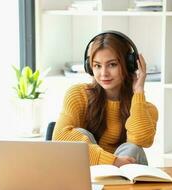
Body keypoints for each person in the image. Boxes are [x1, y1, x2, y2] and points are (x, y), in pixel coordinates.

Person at [52, 31, 158, 167]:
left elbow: (141, 140)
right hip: (89, 177)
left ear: (129, 64)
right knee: (79, 136)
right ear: (90, 67)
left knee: (132, 148)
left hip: (124, 177)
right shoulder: (78, 94)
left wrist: (138, 91)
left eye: (112, 64)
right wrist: (112, 162)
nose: (104, 73)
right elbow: (60, 137)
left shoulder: (145, 108)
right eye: (97, 65)